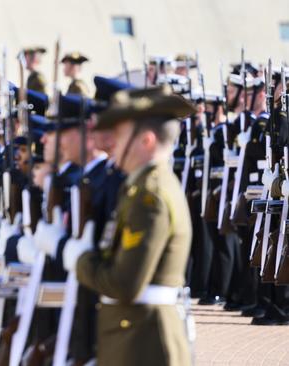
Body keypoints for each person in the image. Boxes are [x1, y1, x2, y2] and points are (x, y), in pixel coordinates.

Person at [69, 85, 195, 366]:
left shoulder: (149, 194)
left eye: (121, 135)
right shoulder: (140, 186)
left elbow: (124, 283)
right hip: (134, 336)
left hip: (144, 341)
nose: (112, 142)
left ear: (146, 140)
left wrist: (78, 259)